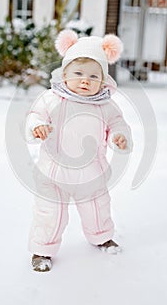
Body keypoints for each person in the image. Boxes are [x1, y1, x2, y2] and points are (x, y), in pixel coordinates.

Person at [26, 29, 133, 272]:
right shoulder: (51, 98)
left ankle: (102, 235)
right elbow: (34, 115)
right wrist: (37, 127)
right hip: (53, 173)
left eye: (94, 76)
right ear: (64, 74)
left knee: (97, 207)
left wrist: (120, 136)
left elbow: (119, 124)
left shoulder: (106, 105)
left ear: (103, 80)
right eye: (78, 73)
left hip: (90, 173)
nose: (85, 80)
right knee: (49, 213)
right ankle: (42, 250)